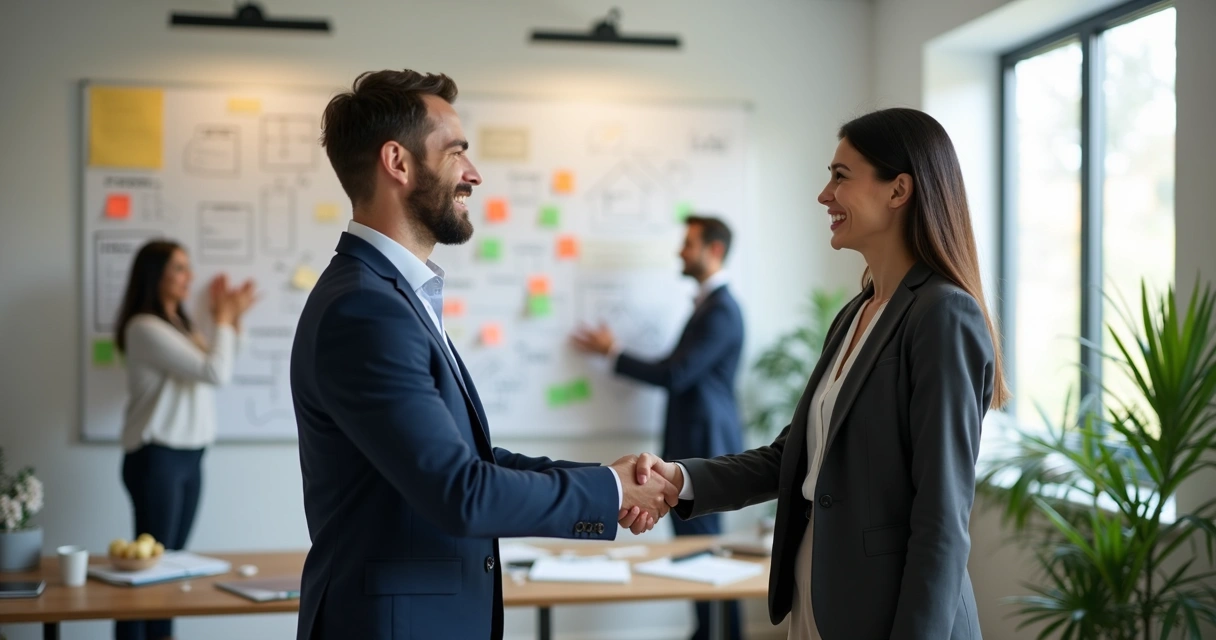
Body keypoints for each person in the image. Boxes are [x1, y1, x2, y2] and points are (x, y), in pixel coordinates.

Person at [289, 69, 678, 640]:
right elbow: (460, 493)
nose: (473, 174)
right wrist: (614, 492)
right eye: (456, 153)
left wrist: (604, 479)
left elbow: (468, 460)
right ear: (397, 163)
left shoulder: (388, 296)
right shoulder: (365, 311)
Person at [631, 107, 1010, 639]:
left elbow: (941, 518)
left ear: (898, 190)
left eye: (840, 177)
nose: (823, 195)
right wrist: (683, 479)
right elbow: (796, 457)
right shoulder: (858, 312)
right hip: (820, 592)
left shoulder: (943, 314)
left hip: (890, 609)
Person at [570, 214, 745, 640]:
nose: (680, 252)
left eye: (688, 243)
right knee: (696, 555)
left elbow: (675, 374)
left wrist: (615, 352)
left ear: (713, 250)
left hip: (705, 450)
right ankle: (708, 633)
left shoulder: (722, 311)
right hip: (694, 445)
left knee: (704, 556)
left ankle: (722, 635)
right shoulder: (709, 307)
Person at [113, 239, 257, 640]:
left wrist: (232, 318)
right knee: (149, 571)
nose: (188, 276)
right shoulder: (144, 327)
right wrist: (224, 319)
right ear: (154, 275)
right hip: (156, 457)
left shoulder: (181, 323)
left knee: (169, 570)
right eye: (178, 268)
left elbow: (222, 360)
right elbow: (215, 372)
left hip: (190, 457)